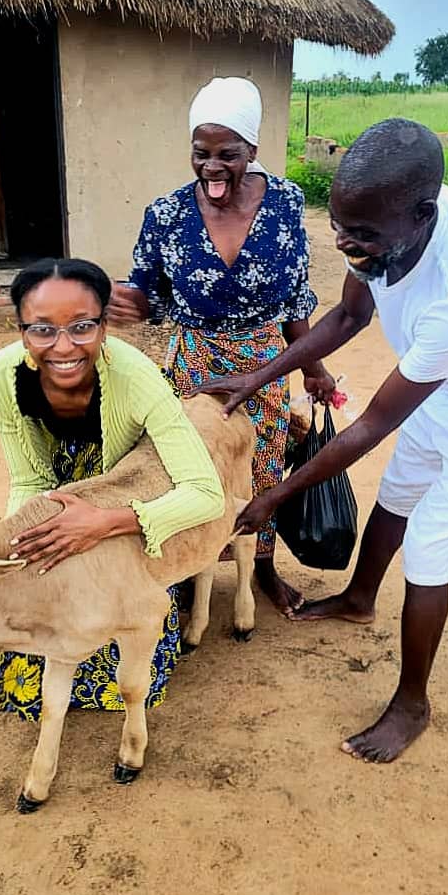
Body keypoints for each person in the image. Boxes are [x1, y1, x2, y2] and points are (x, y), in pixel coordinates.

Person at [195, 118, 448, 763]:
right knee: (397, 493)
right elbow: (350, 315)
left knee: (432, 551)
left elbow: (369, 426)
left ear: (422, 215)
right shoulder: (381, 222)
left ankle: (412, 704)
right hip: (445, 380)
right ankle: (360, 599)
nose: (347, 244)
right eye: (339, 226)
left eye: (362, 236)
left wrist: (274, 495)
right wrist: (259, 373)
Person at [108, 76, 335, 616]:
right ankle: (190, 568)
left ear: (252, 151)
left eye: (227, 154)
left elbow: (296, 297)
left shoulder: (284, 202)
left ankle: (261, 570)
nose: (212, 166)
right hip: (193, 366)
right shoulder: (166, 215)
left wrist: (313, 368)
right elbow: (147, 291)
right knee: (193, 468)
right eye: (200, 153)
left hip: (265, 361)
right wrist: (136, 305)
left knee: (263, 469)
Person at [0, 257, 225, 720]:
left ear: (105, 325)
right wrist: (25, 545)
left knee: (124, 612)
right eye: (42, 329)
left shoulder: (138, 380)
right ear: (21, 330)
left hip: (127, 485)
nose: (63, 346)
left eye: (82, 326)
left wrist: (108, 522)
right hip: (55, 492)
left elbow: (206, 494)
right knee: (35, 589)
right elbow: (30, 479)